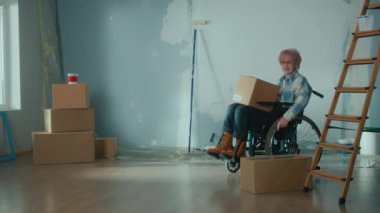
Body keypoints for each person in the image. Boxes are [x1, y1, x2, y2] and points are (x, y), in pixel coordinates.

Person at [207, 48, 312, 158]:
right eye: (283, 62)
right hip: (272, 111)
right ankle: (225, 145)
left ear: (297, 63)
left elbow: (302, 101)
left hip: (282, 114)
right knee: (233, 107)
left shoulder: (301, 81)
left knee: (241, 110)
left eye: (289, 62)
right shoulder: (280, 81)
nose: (285, 66)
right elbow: (273, 99)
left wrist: (287, 117)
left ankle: (239, 149)